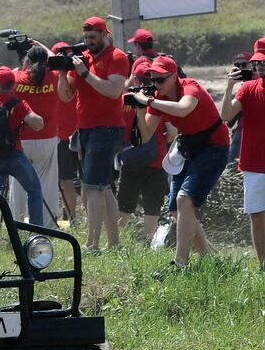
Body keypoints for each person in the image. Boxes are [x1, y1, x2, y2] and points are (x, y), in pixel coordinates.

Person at [133, 56, 232, 270]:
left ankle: (180, 263)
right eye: (152, 80)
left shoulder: (190, 87)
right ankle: (208, 262)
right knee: (177, 210)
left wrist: (149, 101)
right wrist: (140, 111)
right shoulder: (158, 97)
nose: (156, 85)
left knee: (184, 199)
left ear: (174, 76)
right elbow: (146, 134)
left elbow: (182, 109)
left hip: (214, 146)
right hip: (188, 147)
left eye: (160, 80)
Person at [57, 16, 131, 250]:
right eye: (86, 38)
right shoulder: (84, 59)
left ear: (104, 34)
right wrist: (61, 73)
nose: (88, 42)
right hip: (86, 129)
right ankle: (114, 243)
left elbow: (113, 90)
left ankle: (91, 244)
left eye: (92, 37)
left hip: (106, 129)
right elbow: (66, 96)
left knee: (91, 187)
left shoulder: (116, 57)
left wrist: (85, 73)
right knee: (103, 186)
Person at [0, 67, 47, 243]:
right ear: (13, 85)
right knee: (34, 190)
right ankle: (36, 235)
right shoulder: (17, 104)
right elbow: (38, 124)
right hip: (13, 156)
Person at [220, 47, 265, 267]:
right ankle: (263, 266)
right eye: (257, 63)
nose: (259, 67)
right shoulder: (248, 88)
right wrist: (229, 87)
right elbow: (226, 115)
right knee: (257, 216)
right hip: (254, 164)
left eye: (263, 63)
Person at [116, 59, 170, 241]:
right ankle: (147, 242)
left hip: (131, 159)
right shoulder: (160, 100)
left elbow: (119, 129)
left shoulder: (125, 100)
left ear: (136, 80)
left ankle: (118, 240)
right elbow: (171, 133)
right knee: (152, 206)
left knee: (124, 205)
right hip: (157, 159)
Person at [9, 44, 63, 226]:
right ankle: (47, 224)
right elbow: (56, 60)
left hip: (21, 138)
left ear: (27, 61)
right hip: (47, 137)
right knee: (47, 182)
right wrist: (42, 46)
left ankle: (15, 221)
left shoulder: (17, 78)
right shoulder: (54, 77)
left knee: (17, 183)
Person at [51, 41, 79, 222]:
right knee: (70, 181)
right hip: (75, 134)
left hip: (58, 135)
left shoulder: (52, 77)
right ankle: (71, 217)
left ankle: (66, 216)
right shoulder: (78, 75)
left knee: (64, 181)